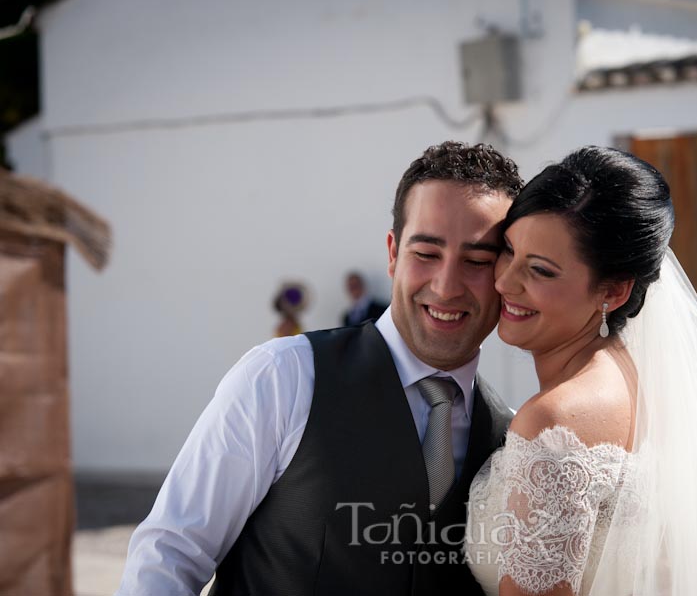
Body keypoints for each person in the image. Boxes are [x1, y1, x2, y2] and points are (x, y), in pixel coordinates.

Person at [116, 141, 524, 596]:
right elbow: (170, 553)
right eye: (426, 253)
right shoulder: (283, 377)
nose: (446, 286)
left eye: (477, 261)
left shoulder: (511, 437)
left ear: (506, 275)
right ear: (393, 254)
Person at [464, 147, 697, 595]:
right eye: (508, 250)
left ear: (614, 291)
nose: (505, 281)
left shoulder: (555, 421)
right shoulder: (638, 378)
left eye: (541, 271)